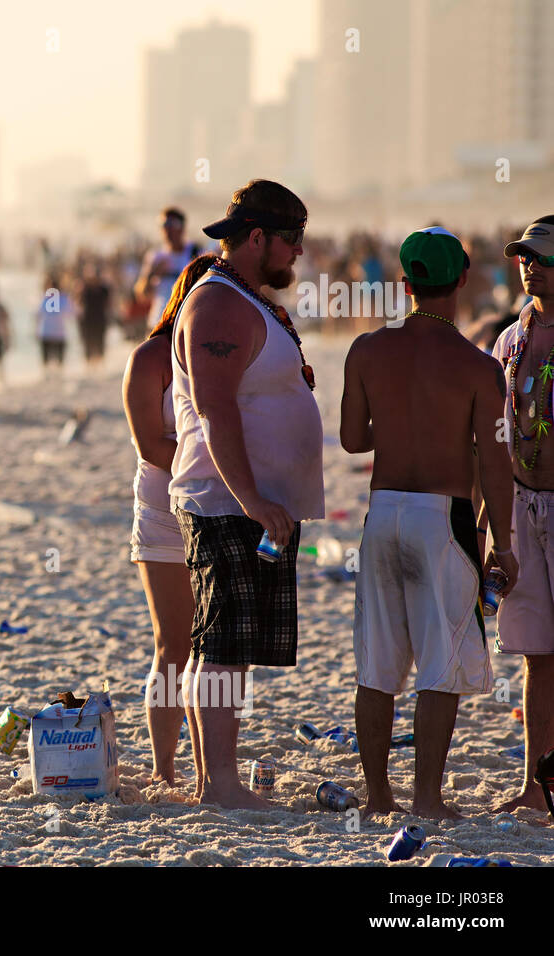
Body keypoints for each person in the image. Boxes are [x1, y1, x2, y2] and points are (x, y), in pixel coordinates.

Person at [342, 227, 516, 820]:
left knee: (379, 664)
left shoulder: (366, 349)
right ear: (463, 280)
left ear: (405, 283)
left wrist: (397, 427)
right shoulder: (477, 366)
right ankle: (426, 799)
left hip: (383, 510)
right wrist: (505, 546)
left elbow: (350, 439)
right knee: (439, 664)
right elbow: (497, 465)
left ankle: (378, 797)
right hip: (442, 519)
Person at [168, 180, 323, 809]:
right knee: (223, 646)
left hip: (250, 503)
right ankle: (221, 785)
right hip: (226, 501)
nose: (298, 255)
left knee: (228, 645)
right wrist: (254, 498)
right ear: (256, 237)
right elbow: (214, 409)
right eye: (292, 241)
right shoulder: (218, 305)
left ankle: (216, 780)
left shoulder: (244, 300)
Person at [123, 253, 216, 790]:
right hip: (164, 509)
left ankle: (211, 767)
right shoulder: (152, 356)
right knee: (172, 644)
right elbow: (149, 445)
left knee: (217, 645)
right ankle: (164, 766)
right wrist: (213, 462)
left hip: (219, 507)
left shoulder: (220, 357)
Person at [489, 217, 554, 813]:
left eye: (540, 256)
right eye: (522, 257)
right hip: (521, 503)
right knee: (537, 653)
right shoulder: (510, 340)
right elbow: (493, 439)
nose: (529, 265)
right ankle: (537, 788)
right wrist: (493, 529)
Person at [135, 207, 200, 330]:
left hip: (185, 323)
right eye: (164, 224)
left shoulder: (195, 253)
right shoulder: (155, 257)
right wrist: (151, 275)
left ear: (182, 228)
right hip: (158, 323)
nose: (167, 229)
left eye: (172, 224)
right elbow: (142, 295)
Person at [34, 273, 71, 381]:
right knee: (59, 359)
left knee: (46, 359)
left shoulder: (44, 298)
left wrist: (36, 330)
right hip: (60, 333)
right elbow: (70, 314)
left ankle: (47, 376)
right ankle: (58, 376)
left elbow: (37, 315)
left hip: (46, 332)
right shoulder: (64, 299)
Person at [78, 264, 112, 374]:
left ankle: (99, 365)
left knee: (100, 341)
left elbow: (109, 303)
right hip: (87, 320)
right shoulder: (84, 288)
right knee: (88, 342)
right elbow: (78, 303)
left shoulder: (104, 289)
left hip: (100, 319)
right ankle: (89, 366)